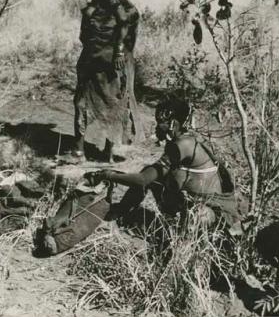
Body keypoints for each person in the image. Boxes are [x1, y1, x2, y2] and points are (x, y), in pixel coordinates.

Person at [84, 97, 242, 231]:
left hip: (215, 212)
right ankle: (119, 213)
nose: (157, 126)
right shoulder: (184, 140)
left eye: (160, 122)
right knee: (156, 177)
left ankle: (181, 252)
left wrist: (109, 175)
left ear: (173, 123)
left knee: (196, 214)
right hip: (195, 201)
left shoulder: (182, 145)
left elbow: (143, 179)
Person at [73, 0, 144, 162]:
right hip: (97, 55)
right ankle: (104, 151)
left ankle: (81, 151)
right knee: (104, 100)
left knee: (93, 100)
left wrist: (119, 50)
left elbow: (123, 19)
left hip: (104, 56)